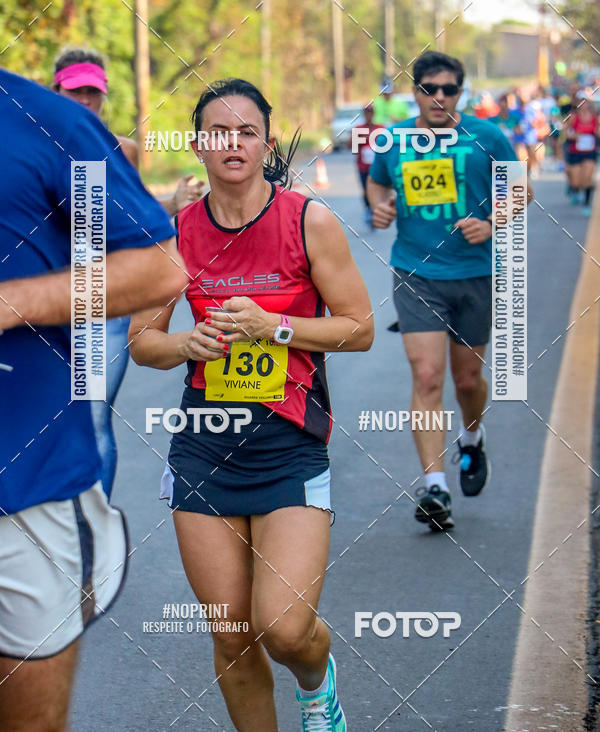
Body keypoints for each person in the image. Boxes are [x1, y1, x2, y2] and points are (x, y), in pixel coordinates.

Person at [129, 78, 374, 732]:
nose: (233, 143)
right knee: (233, 634)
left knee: (284, 627)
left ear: (265, 141)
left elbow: (360, 327)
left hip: (289, 446)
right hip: (204, 450)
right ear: (199, 144)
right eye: (219, 131)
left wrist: (276, 327)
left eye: (246, 131)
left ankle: (318, 686)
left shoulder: (306, 220)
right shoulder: (176, 231)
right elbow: (142, 345)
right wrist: (186, 341)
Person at [0, 67, 187, 732]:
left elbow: (161, 267)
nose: (86, 99)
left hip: (26, 487)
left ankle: (93, 511)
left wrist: (13, 303)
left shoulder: (48, 123)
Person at [367, 50, 533, 532]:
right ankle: (436, 487)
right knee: (427, 377)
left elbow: (521, 190)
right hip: (416, 272)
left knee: (466, 382)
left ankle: (473, 436)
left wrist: (491, 221)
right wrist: (381, 211)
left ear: (461, 92)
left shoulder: (486, 135)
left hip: (475, 273)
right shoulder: (395, 140)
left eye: (449, 90)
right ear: (415, 91)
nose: (439, 98)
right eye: (429, 88)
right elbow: (378, 188)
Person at [52, 45, 204, 498]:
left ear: (103, 96)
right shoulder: (29, 143)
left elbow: (125, 214)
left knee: (93, 415)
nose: (83, 101)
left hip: (102, 301)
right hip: (38, 304)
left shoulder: (122, 150)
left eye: (91, 92)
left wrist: (172, 205)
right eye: (73, 90)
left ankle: (94, 536)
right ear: (53, 89)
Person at [564, 91, 599, 215]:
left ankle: (586, 204)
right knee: (576, 182)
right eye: (581, 101)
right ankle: (573, 188)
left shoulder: (595, 117)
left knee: (587, 179)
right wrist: (574, 136)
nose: (583, 104)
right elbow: (566, 133)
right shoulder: (573, 117)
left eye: (585, 101)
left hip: (590, 151)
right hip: (575, 151)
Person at [351, 103, 385, 225]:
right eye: (367, 112)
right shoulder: (358, 129)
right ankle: (368, 209)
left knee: (377, 188)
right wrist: (360, 138)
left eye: (371, 112)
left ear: (373, 114)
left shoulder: (380, 128)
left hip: (377, 166)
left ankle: (376, 209)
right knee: (365, 189)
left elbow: (387, 144)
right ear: (364, 114)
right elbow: (352, 147)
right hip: (363, 166)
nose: (369, 115)